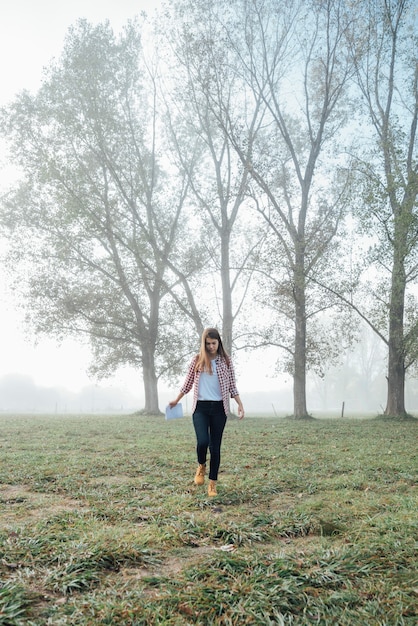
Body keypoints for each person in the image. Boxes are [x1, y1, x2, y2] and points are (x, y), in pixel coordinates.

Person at [169, 327, 244, 497]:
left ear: (219, 343)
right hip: (200, 408)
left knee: (215, 447)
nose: (211, 346)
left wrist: (239, 404)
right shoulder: (197, 360)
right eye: (208, 343)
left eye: (214, 343)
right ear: (203, 344)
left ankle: (212, 484)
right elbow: (187, 384)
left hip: (219, 408)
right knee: (203, 441)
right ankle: (201, 465)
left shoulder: (226, 361)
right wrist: (176, 400)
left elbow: (232, 385)